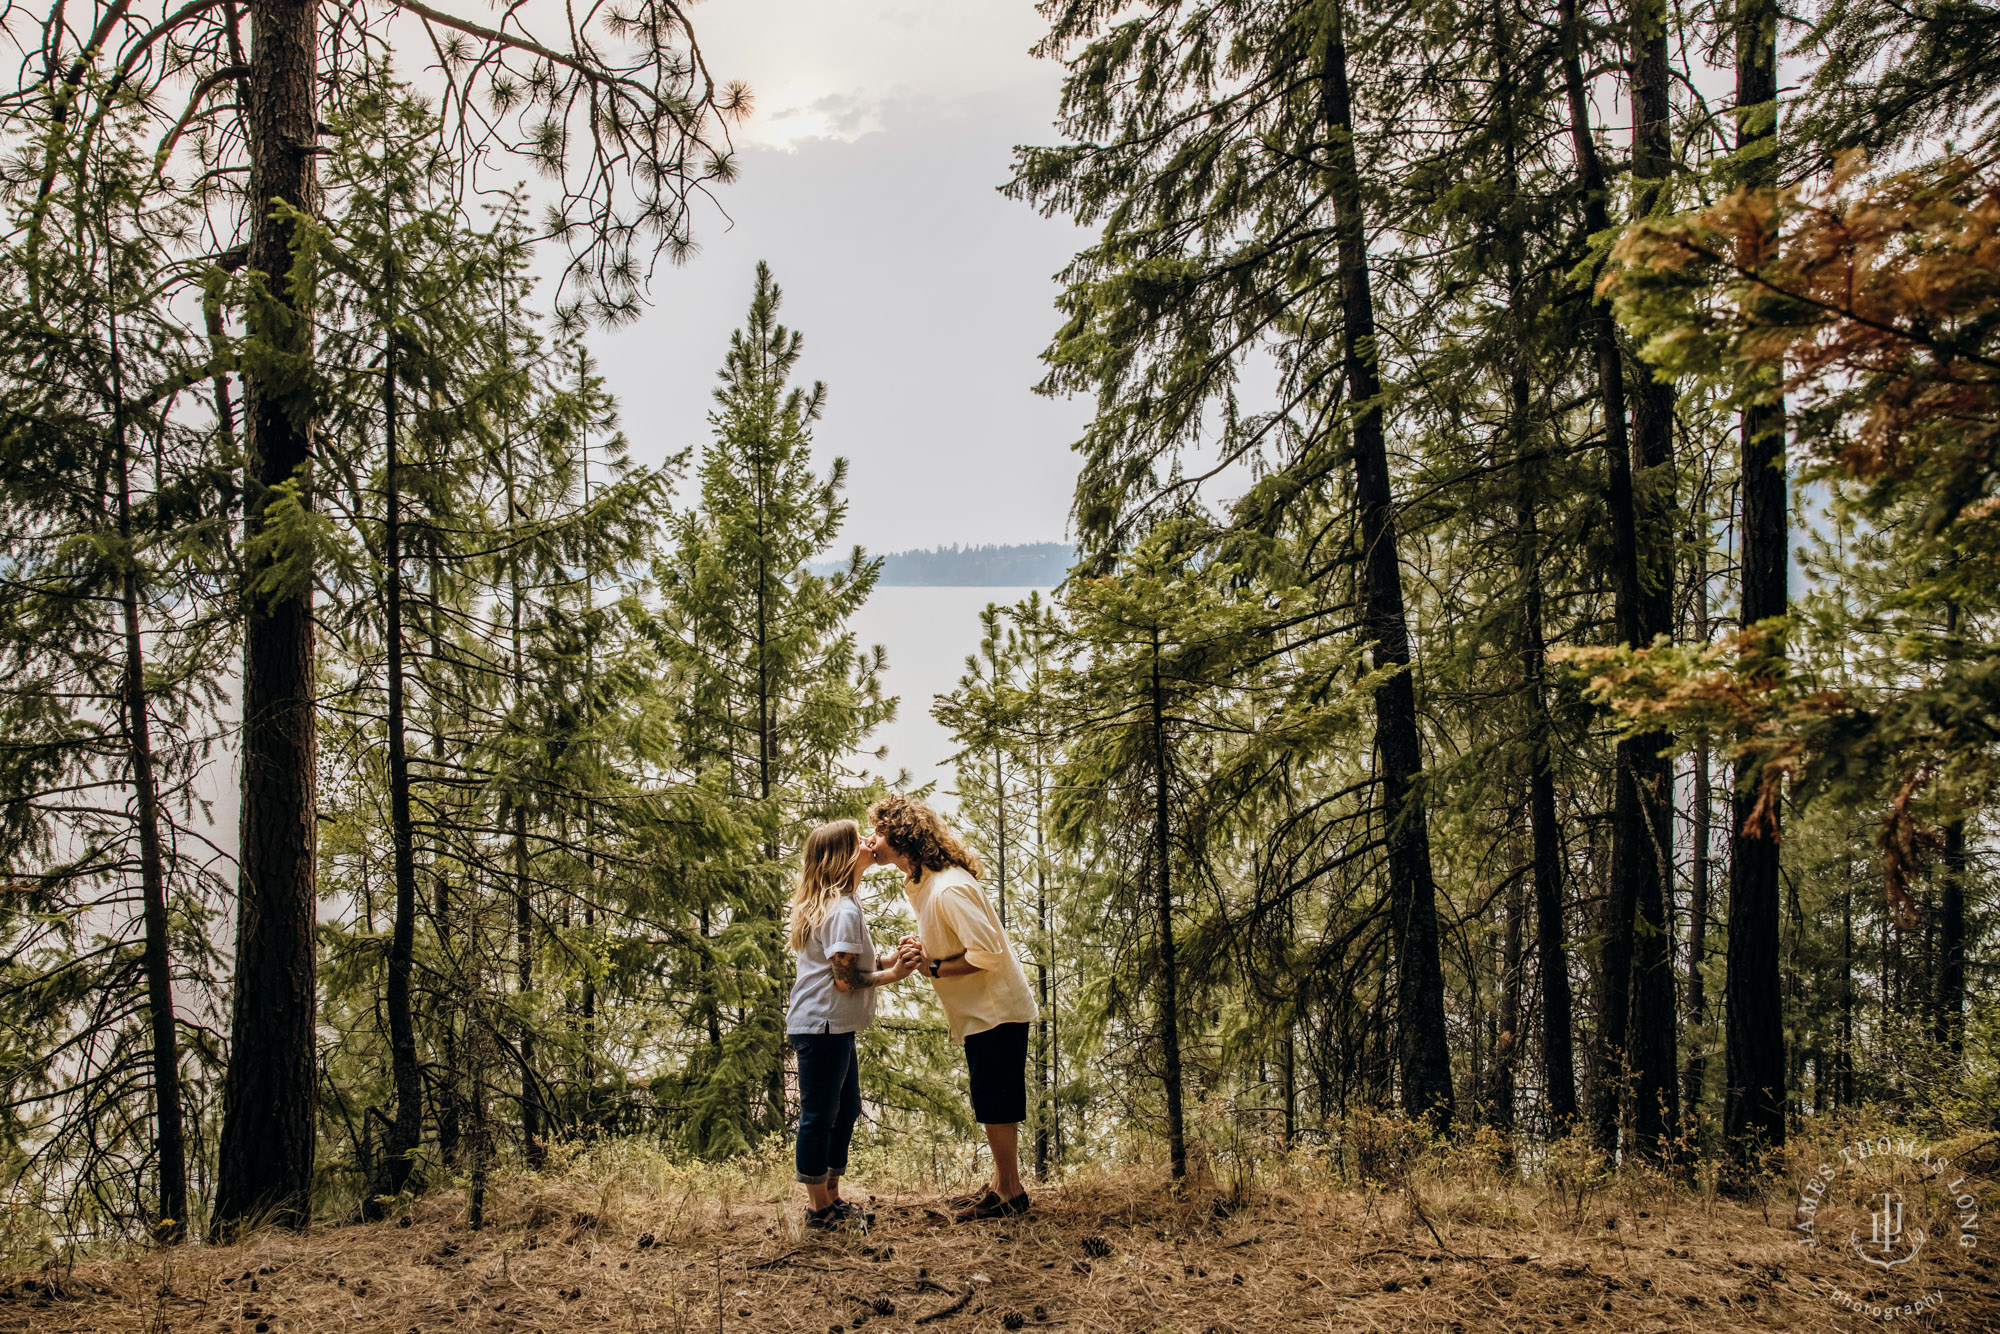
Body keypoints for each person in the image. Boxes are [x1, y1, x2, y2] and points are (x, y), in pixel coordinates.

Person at [863, 793, 1039, 1221]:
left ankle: (1010, 1194)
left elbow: (990, 954)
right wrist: (925, 946)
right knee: (989, 1097)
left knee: (995, 1102)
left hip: (996, 1009)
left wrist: (935, 966)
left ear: (902, 838)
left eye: (880, 831)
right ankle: (1001, 1184)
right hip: (980, 1010)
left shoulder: (947, 888)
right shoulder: (922, 882)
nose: (872, 839)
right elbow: (955, 936)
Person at [785, 818, 916, 1232]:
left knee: (846, 1110)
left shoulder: (846, 901)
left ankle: (832, 1197)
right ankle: (818, 1210)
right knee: (820, 1116)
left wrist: (887, 962)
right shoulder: (841, 908)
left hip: (832, 1026)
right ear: (842, 854)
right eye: (857, 839)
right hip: (821, 1025)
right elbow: (843, 982)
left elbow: (847, 967)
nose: (867, 842)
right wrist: (892, 977)